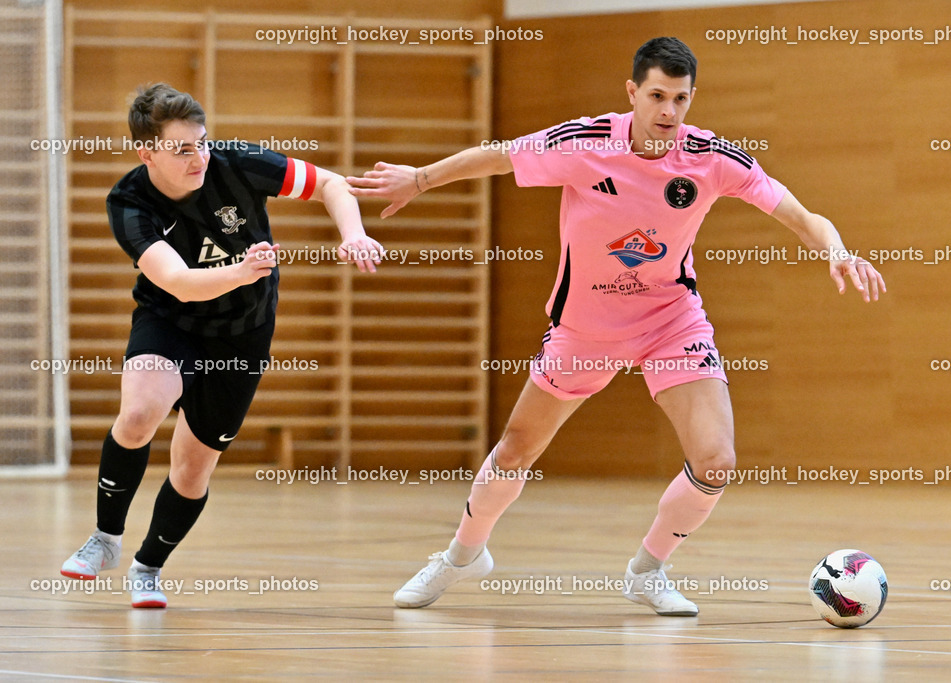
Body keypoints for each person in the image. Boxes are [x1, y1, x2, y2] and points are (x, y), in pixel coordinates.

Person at [347, 37, 885, 616]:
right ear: (632, 92)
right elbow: (500, 155)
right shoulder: (582, 143)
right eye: (656, 96)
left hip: (670, 322)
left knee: (716, 462)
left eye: (680, 99)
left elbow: (802, 216)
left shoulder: (711, 158)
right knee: (515, 450)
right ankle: (461, 556)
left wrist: (837, 249)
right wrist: (420, 180)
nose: (668, 112)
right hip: (585, 329)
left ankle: (647, 570)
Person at [60, 83, 381, 608]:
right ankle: (104, 539)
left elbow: (330, 185)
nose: (199, 157)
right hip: (171, 322)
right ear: (148, 153)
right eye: (182, 148)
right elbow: (181, 282)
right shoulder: (129, 202)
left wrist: (352, 233)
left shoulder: (238, 163)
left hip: (243, 336)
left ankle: (147, 568)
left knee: (192, 466)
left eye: (202, 142)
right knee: (140, 412)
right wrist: (244, 269)